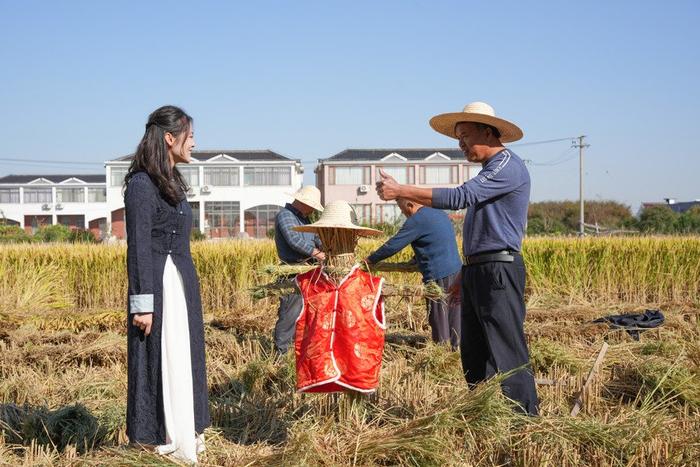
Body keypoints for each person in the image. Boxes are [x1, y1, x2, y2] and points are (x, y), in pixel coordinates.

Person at [375, 101, 538, 415]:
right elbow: (480, 227)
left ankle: (525, 421)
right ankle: (482, 413)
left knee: (507, 349)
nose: (460, 144)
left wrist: (401, 190)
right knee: (473, 351)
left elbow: (461, 196)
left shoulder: (507, 165)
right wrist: (467, 272)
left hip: (498, 270)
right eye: (457, 138)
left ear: (488, 132)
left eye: (465, 135)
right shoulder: (488, 174)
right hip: (478, 269)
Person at [124, 105, 210, 462]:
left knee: (182, 355)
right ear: (170, 138)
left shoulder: (173, 181)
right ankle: (157, 439)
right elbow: (139, 246)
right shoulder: (142, 184)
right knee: (157, 357)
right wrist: (143, 304)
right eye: (190, 136)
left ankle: (182, 432)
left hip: (180, 282)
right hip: (157, 285)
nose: (195, 142)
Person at [365, 198, 462, 349]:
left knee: (439, 319)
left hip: (439, 275)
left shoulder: (417, 220)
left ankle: (442, 353)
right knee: (454, 317)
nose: (403, 213)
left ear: (410, 205)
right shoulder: (438, 212)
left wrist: (370, 259)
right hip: (456, 272)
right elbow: (435, 240)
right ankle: (457, 352)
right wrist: (416, 258)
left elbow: (393, 245)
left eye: (402, 209)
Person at [273, 186, 325, 354]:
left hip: (308, 273)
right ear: (303, 202)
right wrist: (318, 254)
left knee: (305, 315)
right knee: (289, 314)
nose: (312, 210)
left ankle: (298, 352)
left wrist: (330, 249)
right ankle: (281, 354)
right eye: (311, 206)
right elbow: (294, 240)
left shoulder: (306, 220)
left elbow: (317, 238)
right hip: (290, 273)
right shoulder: (285, 216)